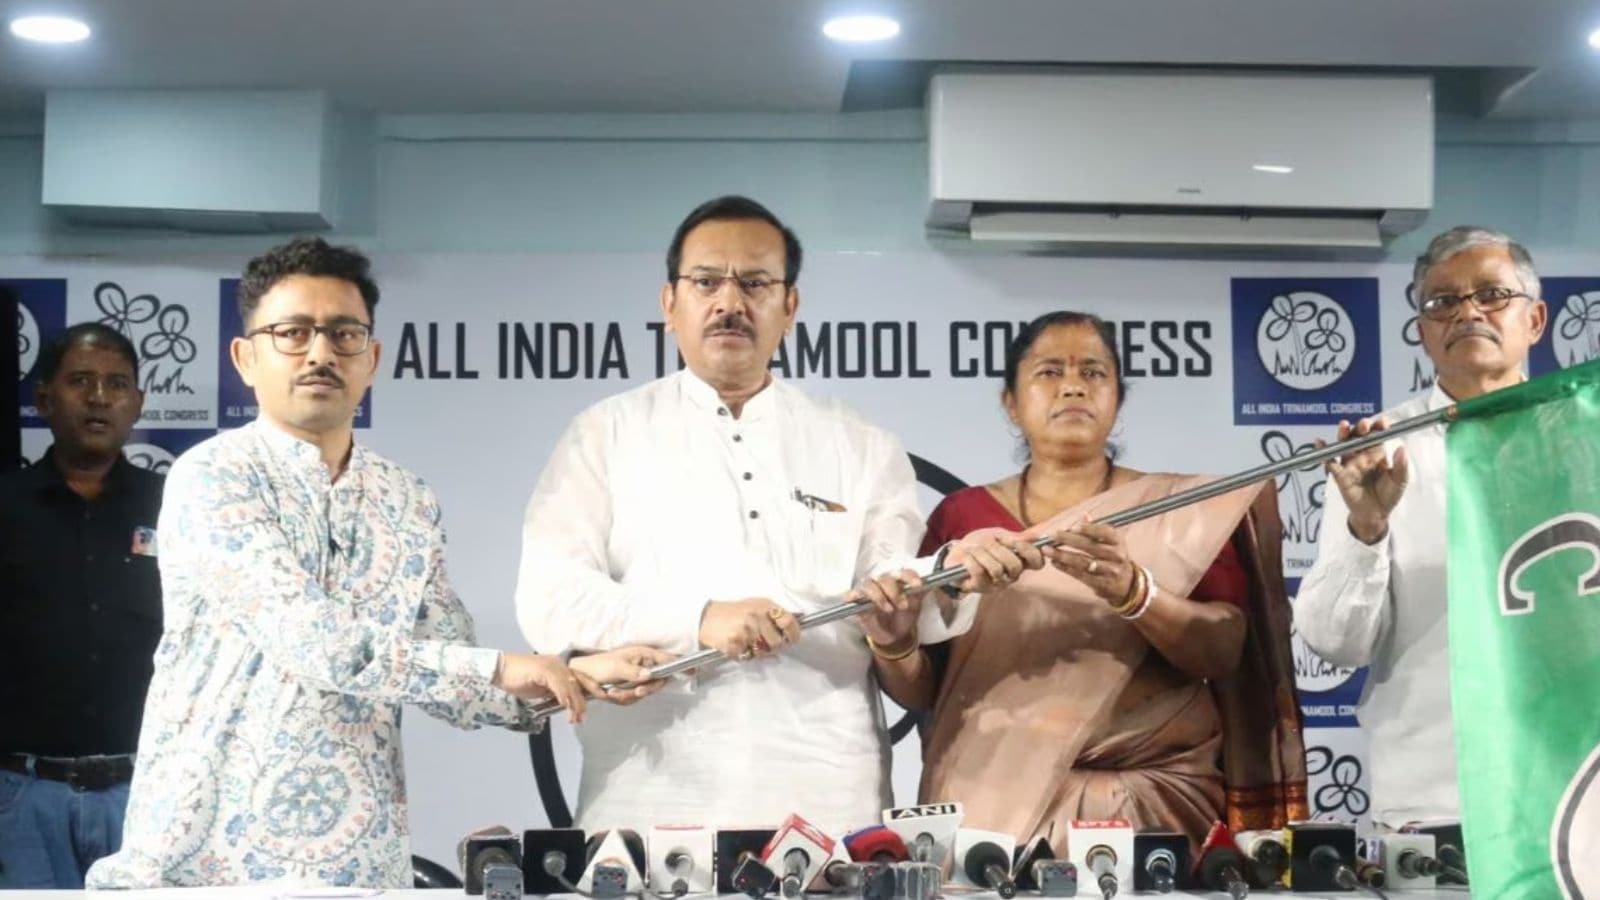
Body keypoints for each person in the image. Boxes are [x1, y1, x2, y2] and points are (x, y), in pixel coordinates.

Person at [85, 238, 671, 889]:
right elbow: (316, 643)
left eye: (344, 334)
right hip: (209, 862)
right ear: (246, 358)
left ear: (373, 359)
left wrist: (574, 675)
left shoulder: (406, 498)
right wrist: (508, 667)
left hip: (358, 866)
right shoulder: (214, 477)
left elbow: (450, 668)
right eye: (292, 333)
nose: (320, 353)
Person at [514, 196, 1035, 834]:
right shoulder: (604, 434)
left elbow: (892, 589)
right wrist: (698, 620)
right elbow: (550, 599)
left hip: (827, 800)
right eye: (706, 282)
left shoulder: (860, 445)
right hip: (648, 800)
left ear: (790, 307)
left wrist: (950, 572)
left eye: (756, 283)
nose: (729, 302)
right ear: (669, 304)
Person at [875, 311, 1307, 855]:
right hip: (995, 805)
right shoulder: (963, 519)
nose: (1073, 386)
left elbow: (1224, 651)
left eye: (1094, 372)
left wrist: (1136, 594)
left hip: (1158, 808)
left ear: (1118, 399)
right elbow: (924, 691)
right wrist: (893, 644)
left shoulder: (1181, 511)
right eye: (1049, 372)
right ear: (1011, 403)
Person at [1297, 225, 1548, 827]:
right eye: (1443, 302)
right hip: (1435, 795)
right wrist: (1366, 527)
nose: (1468, 312)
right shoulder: (1377, 453)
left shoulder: (1583, 439)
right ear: (1422, 332)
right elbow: (1335, 644)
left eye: (1492, 294)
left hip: (1572, 790)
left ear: (1536, 320)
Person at [0, 324, 162, 888]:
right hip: (22, 798)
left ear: (138, 402)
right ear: (45, 399)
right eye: (81, 381)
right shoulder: (5, 505)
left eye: (117, 384)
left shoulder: (174, 506)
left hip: (148, 795)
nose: (99, 398)